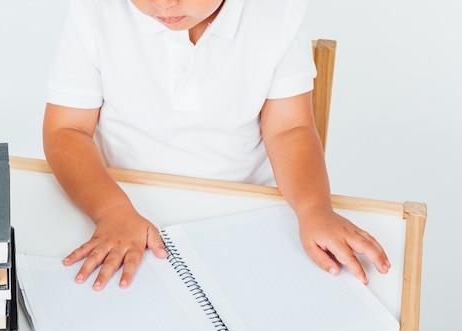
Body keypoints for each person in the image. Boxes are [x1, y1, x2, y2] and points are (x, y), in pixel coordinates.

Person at [42, 0, 391, 291]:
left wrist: (314, 207)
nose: (163, 4)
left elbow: (290, 129)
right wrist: (110, 211)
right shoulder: (93, 11)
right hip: (117, 203)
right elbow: (67, 130)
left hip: (242, 210)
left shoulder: (277, 13)